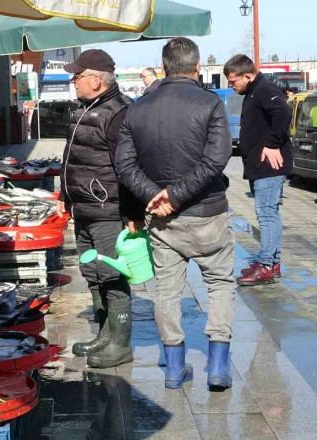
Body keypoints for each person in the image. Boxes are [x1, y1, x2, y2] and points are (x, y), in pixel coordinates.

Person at [116, 37, 235, 391]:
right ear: (197, 68)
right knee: (220, 285)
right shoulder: (211, 103)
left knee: (166, 291)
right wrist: (173, 194)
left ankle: (173, 368)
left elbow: (124, 164)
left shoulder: (136, 108)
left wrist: (158, 196)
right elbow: (216, 159)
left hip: (163, 219)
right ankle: (217, 367)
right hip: (207, 211)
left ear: (164, 67)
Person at [58, 49, 144, 369]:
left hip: (107, 210)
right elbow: (73, 157)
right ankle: (105, 334)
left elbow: (128, 168)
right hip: (83, 209)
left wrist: (133, 216)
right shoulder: (86, 107)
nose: (73, 82)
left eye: (77, 77)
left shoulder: (118, 112)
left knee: (112, 276)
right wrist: (66, 196)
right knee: (92, 275)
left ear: (95, 79)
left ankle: (120, 344)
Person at [224, 54, 293, 286]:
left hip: (269, 166)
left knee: (266, 215)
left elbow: (283, 113)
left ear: (247, 75)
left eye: (233, 81)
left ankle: (265, 264)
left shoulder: (264, 88)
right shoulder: (254, 91)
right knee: (269, 214)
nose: (231, 86)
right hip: (259, 165)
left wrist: (272, 143)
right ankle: (270, 263)